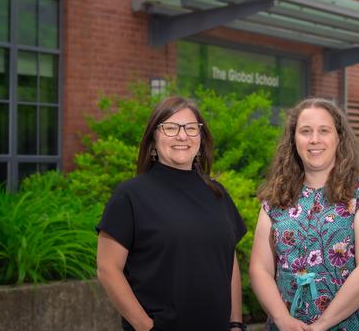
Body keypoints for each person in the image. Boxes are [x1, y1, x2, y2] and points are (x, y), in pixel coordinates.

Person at [96, 96, 247, 331]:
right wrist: (145, 326)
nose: (182, 136)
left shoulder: (218, 193)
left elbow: (229, 261)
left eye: (190, 128)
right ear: (153, 139)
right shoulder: (130, 195)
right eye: (170, 127)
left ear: (201, 138)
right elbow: (107, 268)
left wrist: (235, 323)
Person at [249, 98, 359, 331]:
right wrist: (283, 320)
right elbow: (260, 268)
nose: (314, 139)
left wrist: (321, 325)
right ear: (293, 140)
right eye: (305, 131)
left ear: (339, 137)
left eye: (324, 130)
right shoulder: (276, 199)